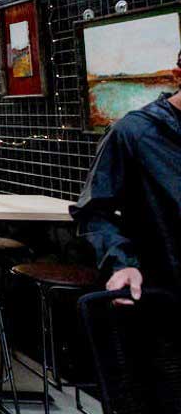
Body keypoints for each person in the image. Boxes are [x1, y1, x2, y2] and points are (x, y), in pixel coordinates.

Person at [71, 50, 181, 302]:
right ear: (177, 76)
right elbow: (93, 212)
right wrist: (123, 263)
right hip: (165, 294)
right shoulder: (133, 133)